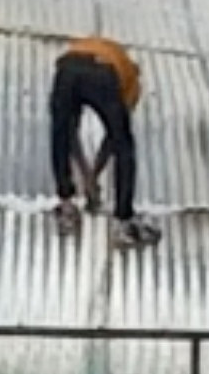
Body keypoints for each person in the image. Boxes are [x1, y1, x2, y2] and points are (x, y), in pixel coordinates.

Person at [47, 34, 157, 249]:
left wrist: (89, 178)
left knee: (59, 134)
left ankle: (66, 205)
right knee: (125, 147)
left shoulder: (99, 49)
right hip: (101, 73)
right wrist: (93, 177)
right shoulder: (130, 80)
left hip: (66, 68)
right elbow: (114, 142)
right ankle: (123, 220)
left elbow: (71, 136)